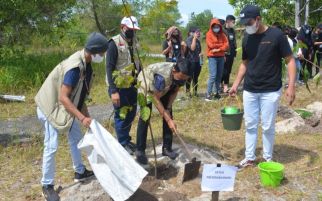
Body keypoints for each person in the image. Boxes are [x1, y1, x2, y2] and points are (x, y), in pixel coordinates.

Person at [35, 32, 109, 200]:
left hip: (64, 107)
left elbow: (80, 97)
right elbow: (63, 97)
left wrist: (87, 118)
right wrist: (82, 118)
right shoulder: (75, 68)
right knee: (51, 145)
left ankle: (80, 171)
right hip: (50, 107)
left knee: (76, 137)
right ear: (95, 52)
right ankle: (47, 185)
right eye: (102, 53)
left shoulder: (87, 65)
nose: (103, 56)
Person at [229, 5, 296, 168]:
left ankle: (267, 158)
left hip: (271, 90)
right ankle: (249, 158)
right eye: (244, 23)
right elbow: (245, 63)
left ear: (258, 19)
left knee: (267, 126)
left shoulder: (276, 35)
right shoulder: (246, 37)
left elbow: (290, 60)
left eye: (249, 22)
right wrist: (235, 84)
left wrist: (291, 86)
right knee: (250, 124)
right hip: (250, 89)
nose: (247, 26)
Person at [135, 59, 191, 165]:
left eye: (184, 79)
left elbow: (175, 90)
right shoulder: (162, 76)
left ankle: (167, 148)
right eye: (180, 78)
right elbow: (155, 98)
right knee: (145, 116)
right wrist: (167, 118)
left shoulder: (181, 75)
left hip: (164, 86)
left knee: (169, 114)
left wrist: (168, 108)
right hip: (146, 83)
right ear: (174, 71)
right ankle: (140, 150)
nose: (182, 80)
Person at [106, 16, 141, 155]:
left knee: (131, 113)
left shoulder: (135, 42)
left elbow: (138, 63)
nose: (132, 32)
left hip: (132, 85)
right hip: (119, 87)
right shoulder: (113, 43)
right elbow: (109, 68)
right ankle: (121, 143)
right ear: (123, 27)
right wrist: (113, 90)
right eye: (130, 29)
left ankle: (126, 139)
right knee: (121, 115)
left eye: (134, 30)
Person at [205, 18, 229, 101]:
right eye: (214, 26)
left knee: (219, 76)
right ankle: (208, 94)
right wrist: (221, 46)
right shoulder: (208, 34)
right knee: (213, 75)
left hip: (221, 57)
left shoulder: (223, 35)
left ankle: (217, 93)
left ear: (220, 26)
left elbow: (226, 45)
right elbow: (211, 45)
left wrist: (218, 49)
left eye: (217, 26)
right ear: (211, 27)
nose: (216, 28)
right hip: (212, 57)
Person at [185, 27, 202, 97]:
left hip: (197, 61)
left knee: (196, 77)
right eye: (197, 32)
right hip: (190, 61)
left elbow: (199, 51)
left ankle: (195, 92)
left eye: (199, 32)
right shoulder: (189, 39)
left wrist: (201, 57)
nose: (198, 34)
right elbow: (192, 48)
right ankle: (188, 92)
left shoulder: (198, 41)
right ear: (192, 33)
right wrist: (194, 38)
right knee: (189, 77)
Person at [222, 15, 237, 93]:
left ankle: (225, 85)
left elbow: (234, 42)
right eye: (233, 22)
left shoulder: (232, 31)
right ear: (228, 21)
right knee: (223, 70)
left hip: (231, 53)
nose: (234, 23)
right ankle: (222, 85)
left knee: (228, 70)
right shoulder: (222, 30)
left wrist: (235, 52)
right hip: (224, 53)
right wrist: (223, 53)